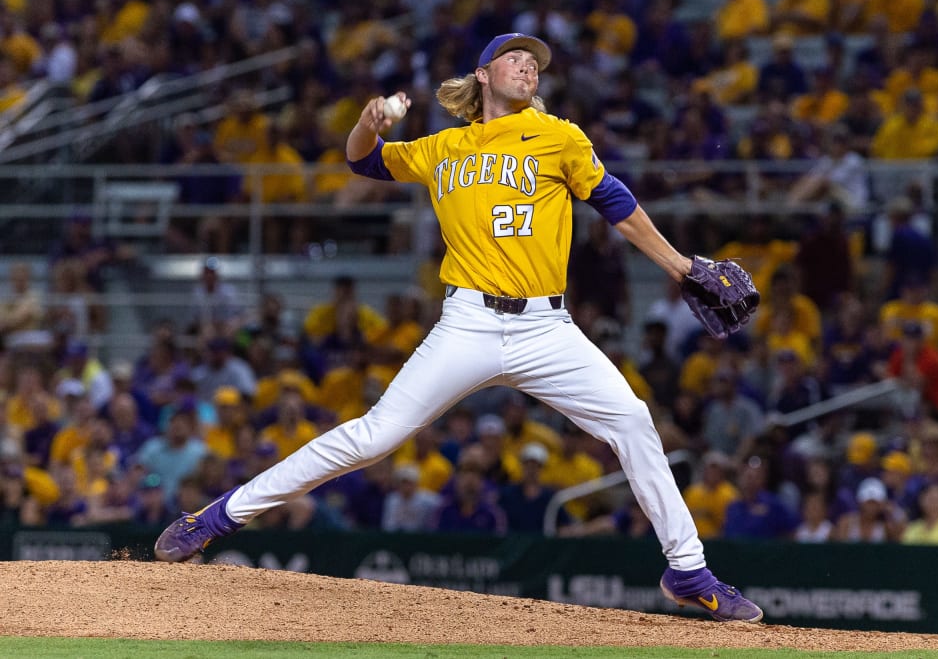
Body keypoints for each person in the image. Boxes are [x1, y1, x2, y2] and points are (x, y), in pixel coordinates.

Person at [153, 32, 763, 623]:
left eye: (536, 63)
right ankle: (214, 519)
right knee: (375, 437)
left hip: (547, 328)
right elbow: (362, 160)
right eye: (515, 58)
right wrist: (370, 121)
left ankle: (688, 571)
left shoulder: (557, 137)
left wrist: (683, 268)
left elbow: (616, 204)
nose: (529, 67)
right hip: (467, 321)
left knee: (632, 420)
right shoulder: (445, 148)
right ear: (483, 74)